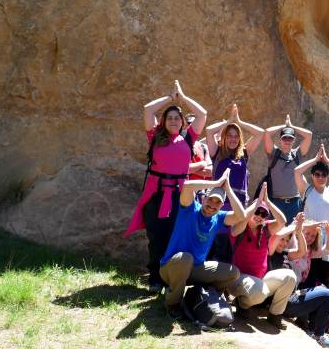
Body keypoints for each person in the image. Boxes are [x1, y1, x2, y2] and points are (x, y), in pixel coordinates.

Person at [125, 80, 208, 291]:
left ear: (182, 122)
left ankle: (170, 279)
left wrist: (182, 97)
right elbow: (147, 109)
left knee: (176, 237)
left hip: (180, 195)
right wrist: (171, 98)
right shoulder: (154, 136)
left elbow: (202, 114)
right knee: (156, 237)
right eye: (169, 118)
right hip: (156, 194)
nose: (173, 121)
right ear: (164, 121)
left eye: (176, 118)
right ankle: (155, 279)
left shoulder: (188, 139)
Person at [158, 170, 245, 319]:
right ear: (204, 198)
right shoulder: (190, 208)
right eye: (210, 199)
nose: (213, 205)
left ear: (222, 205)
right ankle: (173, 304)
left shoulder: (219, 218)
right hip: (171, 268)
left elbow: (241, 216)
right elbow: (187, 186)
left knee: (233, 272)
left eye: (218, 202)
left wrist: (228, 189)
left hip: (195, 270)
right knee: (186, 258)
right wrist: (216, 183)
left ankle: (201, 296)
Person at [228, 183, 296, 329]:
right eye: (257, 212)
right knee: (259, 290)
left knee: (290, 276)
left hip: (259, 280)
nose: (259, 216)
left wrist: (267, 201)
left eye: (263, 214)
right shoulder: (240, 226)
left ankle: (275, 315)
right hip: (238, 279)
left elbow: (282, 221)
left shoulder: (265, 229)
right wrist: (257, 203)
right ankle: (242, 303)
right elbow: (239, 224)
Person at [268, 212, 329, 347]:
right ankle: (318, 335)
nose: (310, 237)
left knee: (321, 290)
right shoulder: (290, 245)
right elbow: (285, 237)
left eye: (313, 236)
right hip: (285, 297)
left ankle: (312, 331)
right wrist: (302, 226)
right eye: (307, 234)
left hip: (293, 292)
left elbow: (328, 250)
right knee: (327, 294)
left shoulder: (308, 251)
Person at [295, 144, 329, 287]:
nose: (320, 177)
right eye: (317, 174)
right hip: (310, 239)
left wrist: (327, 159)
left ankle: (324, 304)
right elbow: (297, 172)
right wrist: (315, 159)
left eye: (324, 175)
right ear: (312, 176)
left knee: (324, 274)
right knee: (308, 272)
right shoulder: (306, 190)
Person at [205, 104, 265, 208]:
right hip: (218, 202)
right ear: (224, 137)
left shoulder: (244, 153)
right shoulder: (217, 151)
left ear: (240, 138)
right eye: (229, 136)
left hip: (238, 204)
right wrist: (228, 122)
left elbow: (260, 133)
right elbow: (209, 131)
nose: (233, 139)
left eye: (236, 136)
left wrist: (239, 122)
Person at [262, 114, 313, 222]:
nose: (287, 140)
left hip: (294, 203)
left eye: (290, 138)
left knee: (293, 234)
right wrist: (284, 126)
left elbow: (309, 135)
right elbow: (266, 133)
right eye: (284, 138)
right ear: (280, 140)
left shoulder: (297, 155)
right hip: (276, 203)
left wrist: (291, 126)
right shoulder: (274, 154)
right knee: (276, 235)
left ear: (294, 140)